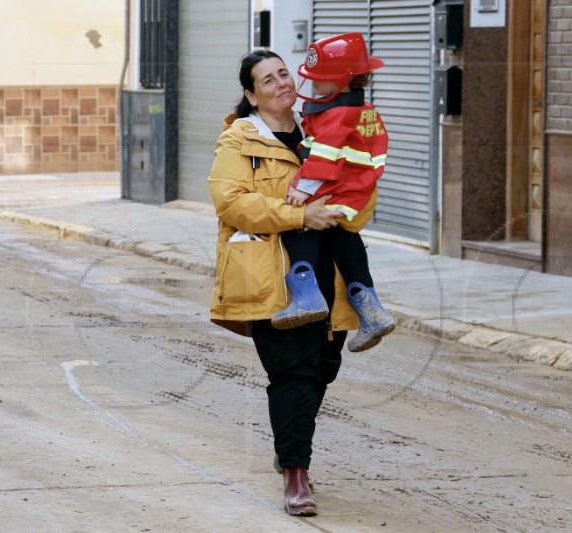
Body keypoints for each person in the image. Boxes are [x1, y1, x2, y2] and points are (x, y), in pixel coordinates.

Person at [207, 50, 377, 517]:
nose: (281, 83)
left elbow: (358, 191)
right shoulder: (237, 142)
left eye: (284, 73)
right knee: (293, 373)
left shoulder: (323, 127)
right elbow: (232, 203)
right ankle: (296, 475)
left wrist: (350, 207)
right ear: (250, 94)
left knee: (323, 367)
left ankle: (289, 446)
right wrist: (301, 214)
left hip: (329, 276)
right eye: (268, 79)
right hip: (270, 275)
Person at [271, 32, 395, 354]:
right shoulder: (364, 111)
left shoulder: (337, 115)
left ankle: (305, 296)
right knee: (343, 236)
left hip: (333, 186)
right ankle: (372, 311)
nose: (313, 83)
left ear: (343, 81)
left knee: (301, 222)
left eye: (320, 78)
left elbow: (324, 156)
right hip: (356, 189)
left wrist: (302, 189)